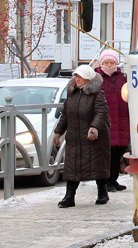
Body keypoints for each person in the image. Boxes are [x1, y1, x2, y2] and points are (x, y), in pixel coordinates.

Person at [53, 65, 111, 208]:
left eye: (80, 77)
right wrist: (58, 132)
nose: (77, 79)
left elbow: (101, 112)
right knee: (72, 167)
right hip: (74, 137)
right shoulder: (72, 94)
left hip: (93, 138)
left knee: (98, 165)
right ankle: (69, 197)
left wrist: (94, 127)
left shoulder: (97, 94)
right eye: (76, 76)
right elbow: (65, 115)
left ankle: (102, 193)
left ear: (88, 79)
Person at [96, 49, 129, 193]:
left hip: (121, 121)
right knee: (105, 154)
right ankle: (105, 182)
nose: (109, 65)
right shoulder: (96, 78)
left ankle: (113, 179)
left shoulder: (122, 78)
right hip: (104, 121)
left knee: (117, 152)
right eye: (106, 62)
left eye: (112, 62)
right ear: (101, 63)